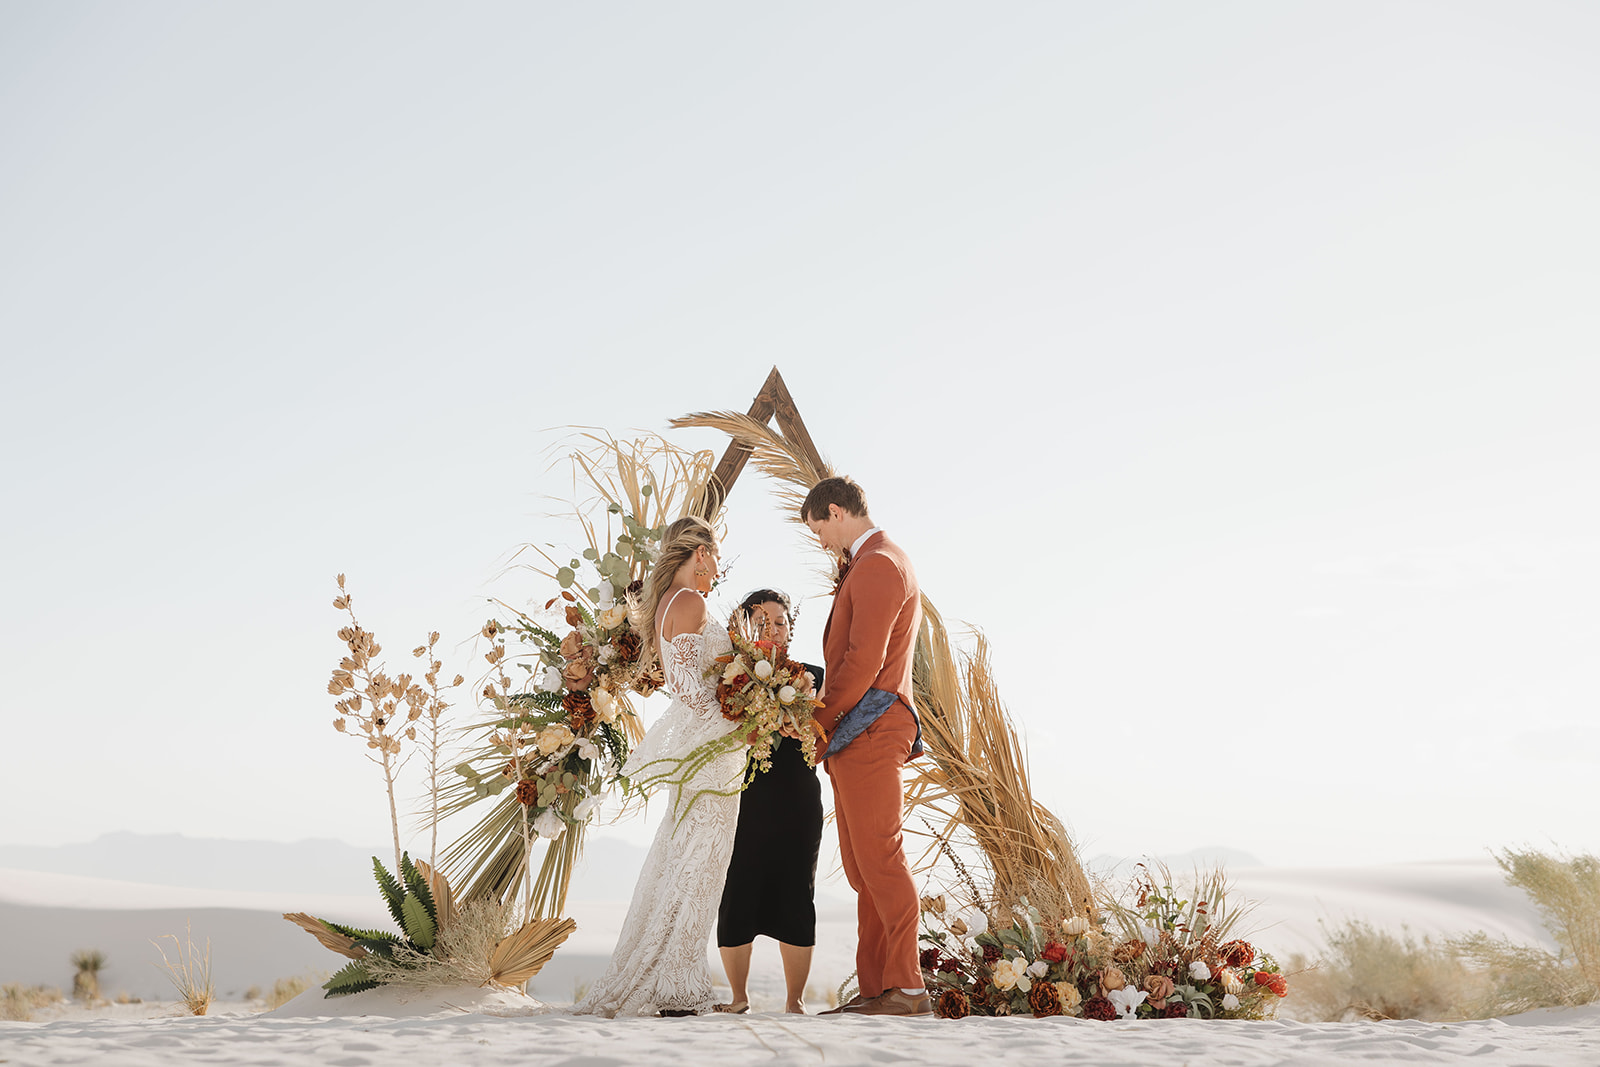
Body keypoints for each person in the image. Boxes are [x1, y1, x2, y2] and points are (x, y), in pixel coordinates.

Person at [572, 516, 745, 1017]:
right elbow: (690, 690)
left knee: (686, 858)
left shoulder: (669, 601)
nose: (717, 564)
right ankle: (676, 985)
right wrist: (742, 710)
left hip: (702, 750)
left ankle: (673, 975)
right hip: (711, 752)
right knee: (701, 863)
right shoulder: (690, 601)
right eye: (714, 552)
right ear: (699, 552)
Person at [802, 476, 929, 1017]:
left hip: (872, 727)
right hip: (860, 730)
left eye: (819, 530)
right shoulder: (874, 561)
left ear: (835, 511)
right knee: (861, 867)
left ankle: (909, 987)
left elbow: (862, 663)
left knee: (881, 856)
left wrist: (819, 724)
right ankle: (879, 989)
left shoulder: (879, 563)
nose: (822, 543)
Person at [713, 589, 824, 1015]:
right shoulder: (730, 677)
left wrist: (801, 722)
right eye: (761, 623)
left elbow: (823, 730)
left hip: (798, 802)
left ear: (791, 629)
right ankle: (739, 998)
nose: (772, 630)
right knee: (738, 890)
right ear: (743, 629)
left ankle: (794, 1001)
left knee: (798, 893)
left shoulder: (813, 675)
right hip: (744, 801)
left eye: (780, 622)